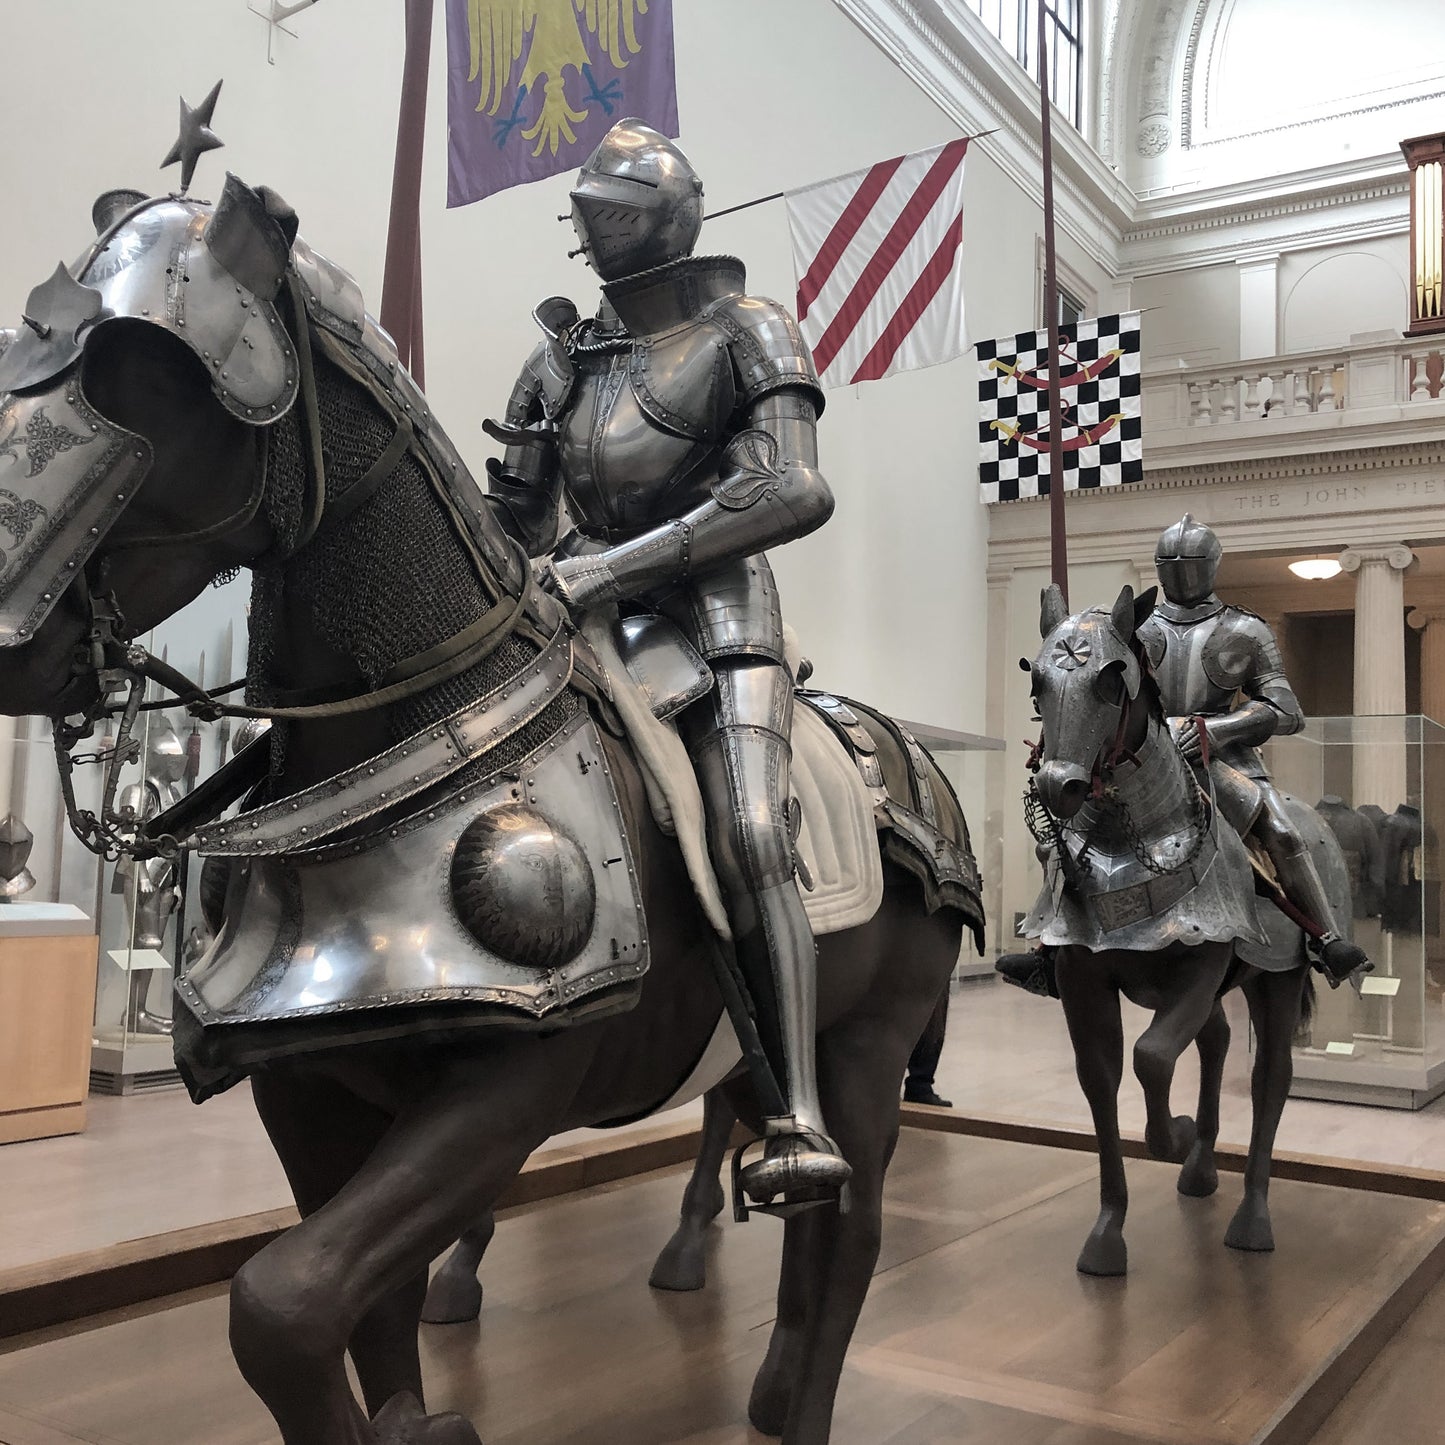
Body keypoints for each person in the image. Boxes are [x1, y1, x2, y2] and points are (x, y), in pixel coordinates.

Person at [483, 119, 849, 1210]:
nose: (598, 231)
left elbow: (790, 488)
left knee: (749, 828)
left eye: (617, 210)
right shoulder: (557, 359)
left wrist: (608, 570)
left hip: (713, 610)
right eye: (588, 214)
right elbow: (519, 518)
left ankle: (794, 1111)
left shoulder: (747, 330)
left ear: (669, 218)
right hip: (570, 609)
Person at [999, 513, 1368, 997]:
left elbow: (1285, 709)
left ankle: (1326, 940)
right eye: (1170, 563)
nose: (1181, 572)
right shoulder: (1134, 630)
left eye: (1190, 562)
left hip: (1223, 761)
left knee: (1282, 832)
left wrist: (1217, 729)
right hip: (1144, 763)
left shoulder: (1244, 629)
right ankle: (1050, 949)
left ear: (1212, 565)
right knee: (1065, 835)